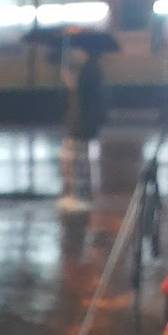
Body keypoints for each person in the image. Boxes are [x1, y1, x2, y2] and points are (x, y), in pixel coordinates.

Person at [59, 40, 105, 213]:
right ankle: (80, 195)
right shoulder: (93, 69)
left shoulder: (88, 70)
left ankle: (80, 196)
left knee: (77, 160)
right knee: (78, 159)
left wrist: (70, 82)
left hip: (80, 124)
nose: (77, 53)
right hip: (84, 124)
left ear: (86, 52)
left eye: (80, 50)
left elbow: (83, 96)